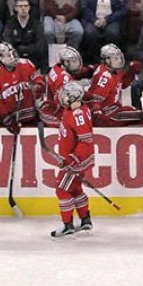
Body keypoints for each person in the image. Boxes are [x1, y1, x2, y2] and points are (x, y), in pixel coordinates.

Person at [49, 81, 95, 238]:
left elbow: (86, 140)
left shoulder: (78, 114)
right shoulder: (72, 110)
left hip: (76, 161)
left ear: (74, 96)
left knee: (61, 190)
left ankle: (67, 224)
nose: (62, 97)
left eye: (66, 94)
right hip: (77, 159)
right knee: (74, 189)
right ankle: (85, 220)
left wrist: (72, 158)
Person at [0, 42, 44, 133]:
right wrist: (7, 119)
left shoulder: (27, 63)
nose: (14, 58)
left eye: (14, 53)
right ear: (1, 58)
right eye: (9, 56)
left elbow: (38, 78)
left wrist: (38, 85)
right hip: (10, 117)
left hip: (30, 114)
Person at [86, 44, 143, 126]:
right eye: (116, 58)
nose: (119, 61)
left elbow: (122, 85)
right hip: (106, 112)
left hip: (113, 108)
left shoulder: (114, 70)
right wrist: (96, 110)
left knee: (135, 113)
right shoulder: (105, 76)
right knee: (138, 115)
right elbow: (96, 98)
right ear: (107, 60)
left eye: (119, 58)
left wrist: (131, 72)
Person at [38, 46, 92, 127]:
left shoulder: (57, 67)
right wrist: (85, 93)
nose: (77, 64)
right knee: (84, 118)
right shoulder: (64, 78)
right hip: (52, 115)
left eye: (77, 61)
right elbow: (63, 103)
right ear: (66, 63)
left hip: (46, 107)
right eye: (74, 62)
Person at [3, 0, 47, 69]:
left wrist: (21, 49)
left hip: (34, 60)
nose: (23, 8)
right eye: (20, 6)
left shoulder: (36, 23)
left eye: (25, 6)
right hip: (15, 60)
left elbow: (40, 45)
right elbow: (7, 43)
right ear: (16, 8)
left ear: (29, 8)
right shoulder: (10, 23)